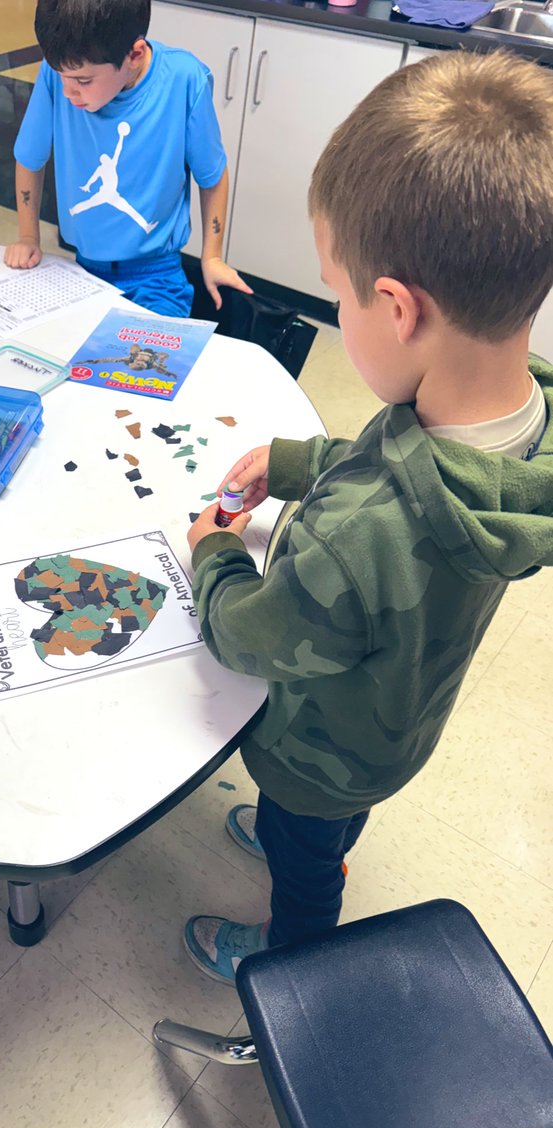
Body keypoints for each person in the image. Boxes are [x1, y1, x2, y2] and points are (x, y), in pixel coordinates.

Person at [182, 49, 553, 985]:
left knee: (302, 855)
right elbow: (392, 455)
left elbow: (254, 639)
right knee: (319, 830)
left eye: (337, 292)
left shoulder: (361, 533)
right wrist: (298, 461)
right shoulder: (522, 420)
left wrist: (215, 554)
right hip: (396, 725)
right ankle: (302, 843)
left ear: (394, 307)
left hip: (316, 755)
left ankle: (287, 965)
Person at [4, 0, 251, 317]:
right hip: (81, 271)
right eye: (61, 75)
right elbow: (30, 157)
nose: (68, 92)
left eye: (83, 81)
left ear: (134, 55)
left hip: (157, 277)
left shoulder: (184, 80)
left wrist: (212, 256)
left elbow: (212, 174)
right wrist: (28, 237)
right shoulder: (58, 76)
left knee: (151, 362)